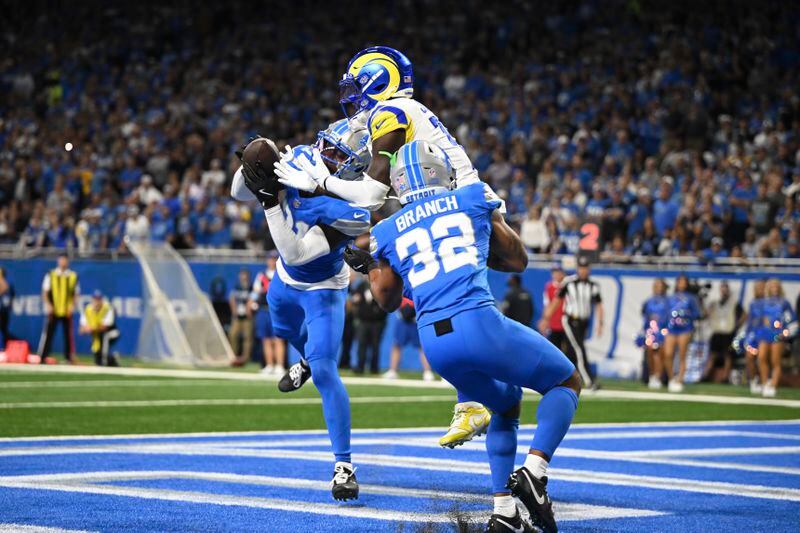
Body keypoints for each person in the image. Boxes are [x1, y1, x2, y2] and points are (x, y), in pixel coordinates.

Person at [345, 140, 580, 532]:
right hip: (479, 323)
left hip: (436, 344)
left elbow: (386, 299)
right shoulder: (471, 196)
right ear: (442, 171)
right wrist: (486, 229)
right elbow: (518, 259)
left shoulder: (386, 229)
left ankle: (504, 511)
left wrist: (371, 267)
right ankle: (535, 472)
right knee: (566, 380)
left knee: (505, 404)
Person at [274, 46, 496, 448]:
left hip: (456, 206)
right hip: (459, 203)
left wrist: (319, 183)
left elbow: (374, 193)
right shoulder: (406, 113)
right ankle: (474, 395)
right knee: (441, 301)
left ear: (380, 80)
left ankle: (479, 393)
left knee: (440, 303)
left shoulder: (388, 112)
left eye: (357, 85)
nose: (350, 96)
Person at [233, 119, 372, 501]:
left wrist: (269, 202)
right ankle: (305, 360)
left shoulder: (352, 208)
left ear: (354, 168)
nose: (325, 156)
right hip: (284, 284)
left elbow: (294, 252)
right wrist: (257, 162)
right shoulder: (303, 158)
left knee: (327, 371)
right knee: (284, 333)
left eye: (337, 156)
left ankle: (343, 465)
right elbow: (236, 191)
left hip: (323, 289)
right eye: (326, 146)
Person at [542, 256, 604, 389]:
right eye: (581, 268)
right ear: (577, 268)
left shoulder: (593, 286)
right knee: (579, 349)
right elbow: (557, 301)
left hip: (584, 322)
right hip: (570, 320)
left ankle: (565, 378)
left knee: (571, 352)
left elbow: (599, 305)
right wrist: (546, 318)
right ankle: (589, 381)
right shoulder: (569, 282)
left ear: (589, 269)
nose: (583, 271)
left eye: (585, 268)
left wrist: (600, 323)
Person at [662, 275, 702, 392]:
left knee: (682, 355)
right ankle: (671, 378)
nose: (682, 284)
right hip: (671, 328)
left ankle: (680, 379)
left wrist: (685, 314)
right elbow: (666, 313)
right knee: (668, 354)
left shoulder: (691, 298)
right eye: (680, 281)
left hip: (685, 328)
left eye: (684, 282)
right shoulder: (670, 298)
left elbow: (696, 314)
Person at [757, 278, 797, 397]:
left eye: (776, 285)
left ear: (780, 287)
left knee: (775, 361)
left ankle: (773, 385)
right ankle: (765, 384)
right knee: (762, 358)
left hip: (777, 334)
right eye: (772, 285)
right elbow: (758, 319)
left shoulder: (784, 302)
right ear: (768, 287)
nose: (774, 287)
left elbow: (791, 320)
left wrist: (786, 333)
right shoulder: (763, 302)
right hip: (765, 333)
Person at [38, 253, 79, 363]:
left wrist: (71, 306)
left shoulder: (73, 276)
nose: (63, 262)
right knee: (48, 334)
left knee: (68, 335)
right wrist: (48, 305)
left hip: (66, 310)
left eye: (65, 260)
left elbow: (76, 294)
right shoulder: (51, 274)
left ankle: (68, 358)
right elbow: (45, 292)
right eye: (61, 260)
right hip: (54, 309)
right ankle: (42, 357)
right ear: (58, 261)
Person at [383, 298, 435, 381]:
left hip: (415, 321)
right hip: (402, 319)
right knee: (397, 345)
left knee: (422, 347)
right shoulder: (401, 287)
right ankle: (392, 371)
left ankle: (427, 372)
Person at [702, 281, 744, 383]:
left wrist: (736, 326)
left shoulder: (733, 303)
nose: (724, 290)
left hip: (728, 332)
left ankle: (725, 377)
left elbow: (744, 315)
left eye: (725, 288)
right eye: (722, 288)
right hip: (717, 332)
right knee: (712, 354)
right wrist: (701, 301)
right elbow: (705, 314)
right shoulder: (715, 303)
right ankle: (705, 376)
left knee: (728, 355)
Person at [251, 254, 285, 374]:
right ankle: (269, 365)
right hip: (263, 310)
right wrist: (251, 304)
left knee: (278, 339)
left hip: (277, 311)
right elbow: (255, 293)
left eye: (274, 259)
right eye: (270, 259)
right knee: (265, 339)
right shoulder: (261, 276)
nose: (271, 261)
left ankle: (279, 365)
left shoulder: (282, 275)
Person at [352, 274, 387, 374]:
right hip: (363, 321)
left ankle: (374, 368)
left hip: (377, 322)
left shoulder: (381, 287)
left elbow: (385, 302)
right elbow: (354, 298)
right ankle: (360, 366)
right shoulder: (361, 286)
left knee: (375, 346)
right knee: (361, 345)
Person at [639, 279, 670, 389]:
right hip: (651, 331)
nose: (658, 288)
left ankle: (659, 376)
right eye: (656, 285)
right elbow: (645, 316)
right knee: (651, 352)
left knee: (661, 354)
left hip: (663, 331)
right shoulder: (649, 301)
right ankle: (652, 375)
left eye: (660, 285)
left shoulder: (668, 301)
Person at [78, 290, 119, 366]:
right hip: (97, 335)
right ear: (92, 299)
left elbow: (105, 327)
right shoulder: (88, 309)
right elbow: (81, 329)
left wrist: (91, 328)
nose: (97, 301)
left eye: (99, 299)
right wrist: (86, 328)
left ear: (101, 299)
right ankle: (112, 359)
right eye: (95, 299)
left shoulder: (107, 308)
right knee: (97, 357)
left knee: (105, 337)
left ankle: (105, 361)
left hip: (112, 332)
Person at [538, 266, 567, 353]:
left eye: (558, 272)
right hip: (554, 323)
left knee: (568, 350)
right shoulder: (549, 287)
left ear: (562, 273)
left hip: (566, 322)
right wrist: (544, 320)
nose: (555, 275)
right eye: (554, 273)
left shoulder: (568, 285)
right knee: (555, 349)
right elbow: (547, 304)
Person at [229, 269, 254, 367]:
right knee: (233, 335)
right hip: (237, 316)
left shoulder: (251, 287)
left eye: (245, 275)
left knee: (247, 337)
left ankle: (245, 358)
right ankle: (233, 356)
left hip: (247, 316)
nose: (243, 277)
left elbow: (253, 298)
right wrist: (233, 309)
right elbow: (231, 298)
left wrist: (250, 309)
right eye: (242, 275)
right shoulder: (236, 286)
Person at [0, 267, 15, 348]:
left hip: (4, 310)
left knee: (4, 329)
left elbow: (12, 295)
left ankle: (5, 347)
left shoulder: (8, 284)